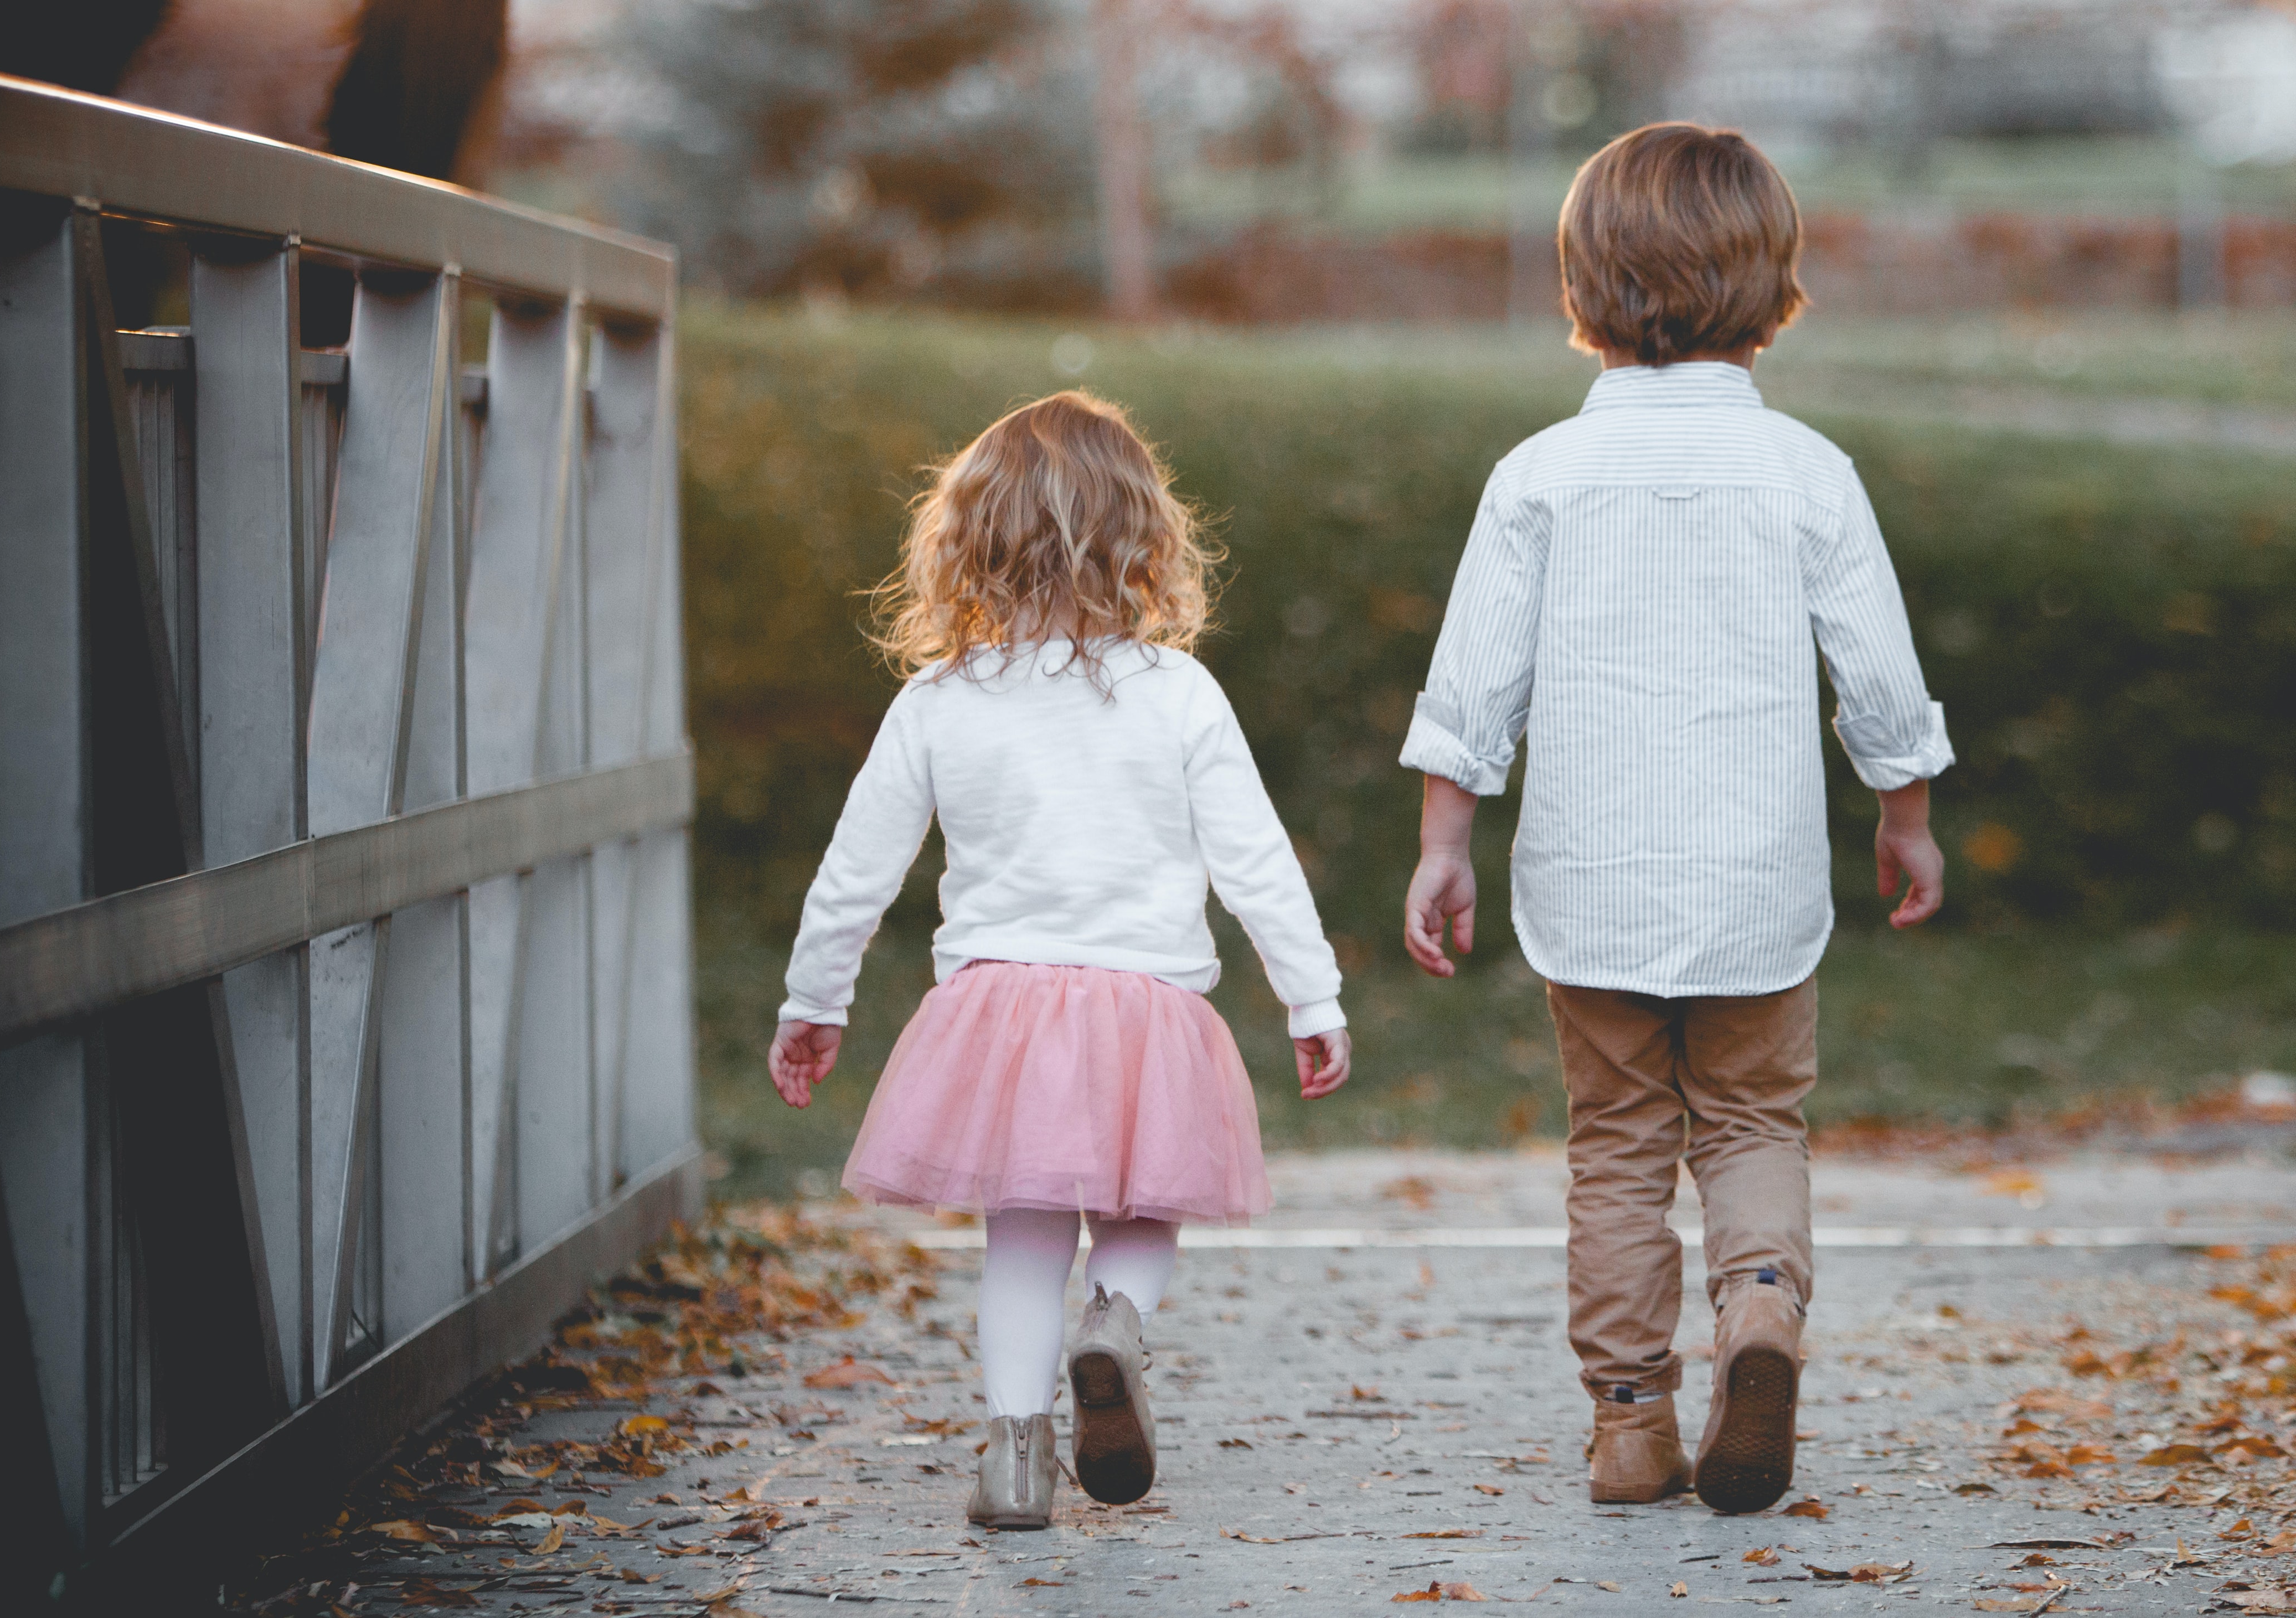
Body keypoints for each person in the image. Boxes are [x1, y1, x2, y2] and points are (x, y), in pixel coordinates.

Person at [1399, 123, 1952, 1513]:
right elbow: (1877, 675)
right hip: (1756, 886)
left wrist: (1444, 843)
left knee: (1619, 1146)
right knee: (1755, 1121)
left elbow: (1472, 684)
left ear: (1583, 283)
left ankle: (1630, 1422)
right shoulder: (1805, 473)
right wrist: (1906, 815)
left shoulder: (1537, 476)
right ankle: (1758, 1308)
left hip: (1592, 889)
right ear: (1770, 287)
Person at [768, 390, 1351, 1530]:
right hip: (1148, 1008)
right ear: (1144, 536)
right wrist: (1310, 994)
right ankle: (1116, 1325)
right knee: (1144, 1209)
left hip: (999, 1016)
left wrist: (813, 997)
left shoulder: (937, 701)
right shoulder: (1179, 692)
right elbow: (1255, 863)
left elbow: (857, 868)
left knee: (1020, 1235)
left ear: (965, 542)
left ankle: (1013, 1461)